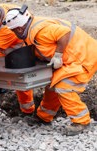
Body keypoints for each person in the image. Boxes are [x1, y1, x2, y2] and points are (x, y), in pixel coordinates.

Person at [5, 5, 97, 136]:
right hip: (73, 58)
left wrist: (58, 55)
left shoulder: (40, 30)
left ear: (19, 28)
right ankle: (43, 117)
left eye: (14, 30)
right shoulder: (32, 27)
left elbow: (65, 33)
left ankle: (81, 121)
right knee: (52, 85)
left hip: (83, 57)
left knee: (64, 87)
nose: (14, 33)